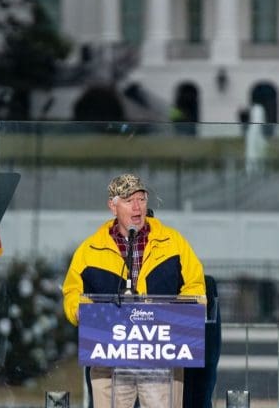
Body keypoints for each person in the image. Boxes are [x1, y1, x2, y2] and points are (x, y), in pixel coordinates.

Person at [62, 173, 206, 408]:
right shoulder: (90, 250)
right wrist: (79, 310)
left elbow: (196, 285)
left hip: (161, 353)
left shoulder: (173, 242)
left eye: (142, 198)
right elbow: (72, 292)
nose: (137, 207)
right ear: (113, 205)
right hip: (110, 354)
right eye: (129, 200)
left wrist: (180, 312)